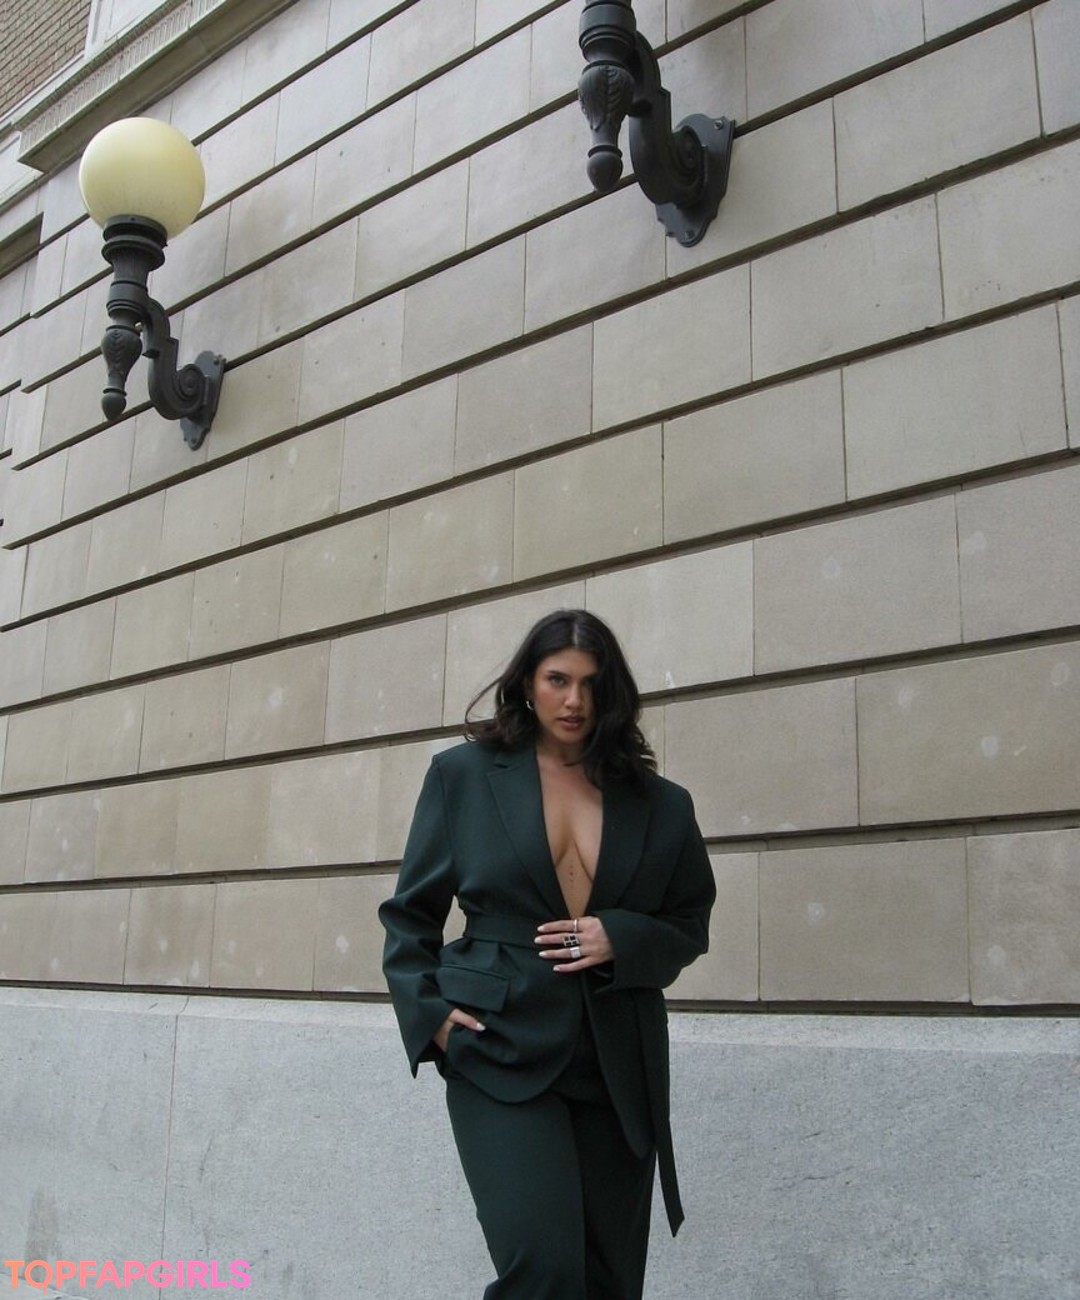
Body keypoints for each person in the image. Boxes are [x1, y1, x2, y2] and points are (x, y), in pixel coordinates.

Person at [379, 609, 716, 1300]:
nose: (574, 700)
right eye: (558, 679)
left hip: (617, 1060)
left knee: (608, 1283)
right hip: (499, 1046)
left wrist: (622, 936)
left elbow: (689, 923)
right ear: (528, 684)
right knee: (543, 1272)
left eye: (591, 683)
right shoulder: (464, 776)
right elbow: (410, 915)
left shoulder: (662, 805)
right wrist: (431, 1017)